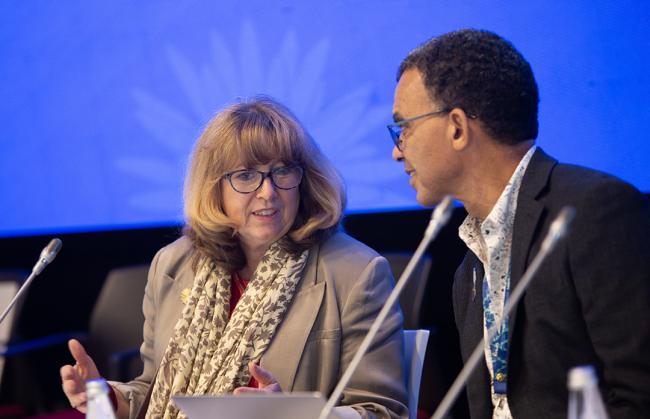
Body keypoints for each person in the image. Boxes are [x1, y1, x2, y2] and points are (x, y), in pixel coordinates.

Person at [61, 97, 408, 419]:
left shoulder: (356, 272)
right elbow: (155, 391)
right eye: (246, 176)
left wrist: (291, 414)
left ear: (304, 179)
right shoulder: (171, 265)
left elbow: (382, 411)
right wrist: (104, 398)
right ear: (215, 187)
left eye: (283, 171)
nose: (268, 192)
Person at [389, 29, 650, 418]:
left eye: (404, 128)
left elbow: (640, 395)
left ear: (457, 128)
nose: (397, 152)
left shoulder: (593, 212)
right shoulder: (469, 269)